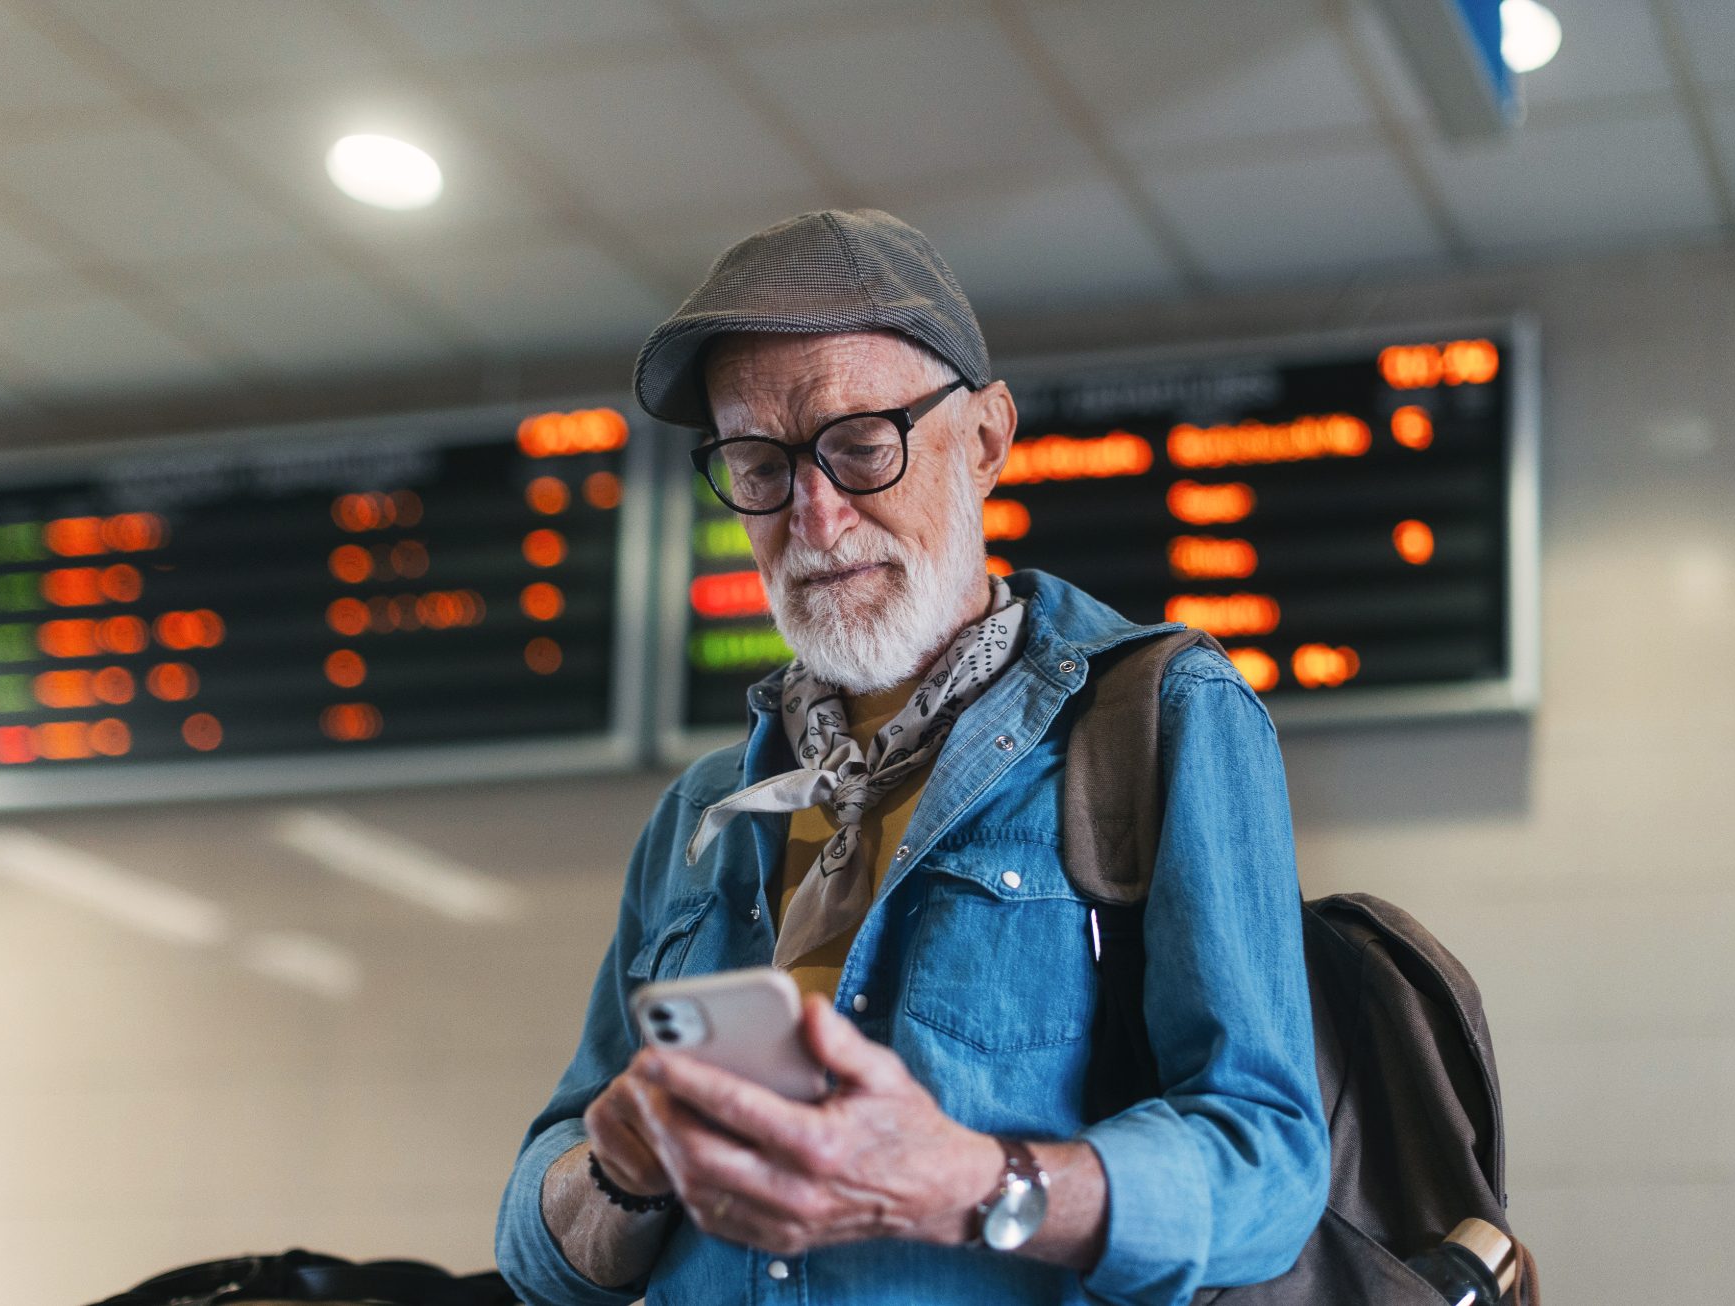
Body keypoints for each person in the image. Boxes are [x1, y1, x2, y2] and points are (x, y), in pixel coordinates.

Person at [496, 210, 1327, 1306]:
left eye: (859, 444)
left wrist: (966, 1186)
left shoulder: (1160, 719)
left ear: (983, 440)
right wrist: (618, 1173)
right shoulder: (706, 815)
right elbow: (534, 1251)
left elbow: (1268, 1165)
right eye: (758, 463)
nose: (815, 515)